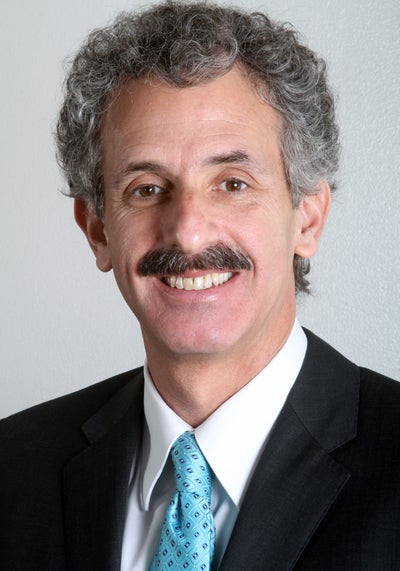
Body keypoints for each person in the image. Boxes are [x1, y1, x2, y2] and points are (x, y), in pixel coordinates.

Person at [1, 1, 399, 569]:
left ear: (307, 219)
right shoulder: (13, 468)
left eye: (232, 183)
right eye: (146, 189)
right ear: (98, 230)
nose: (187, 232)